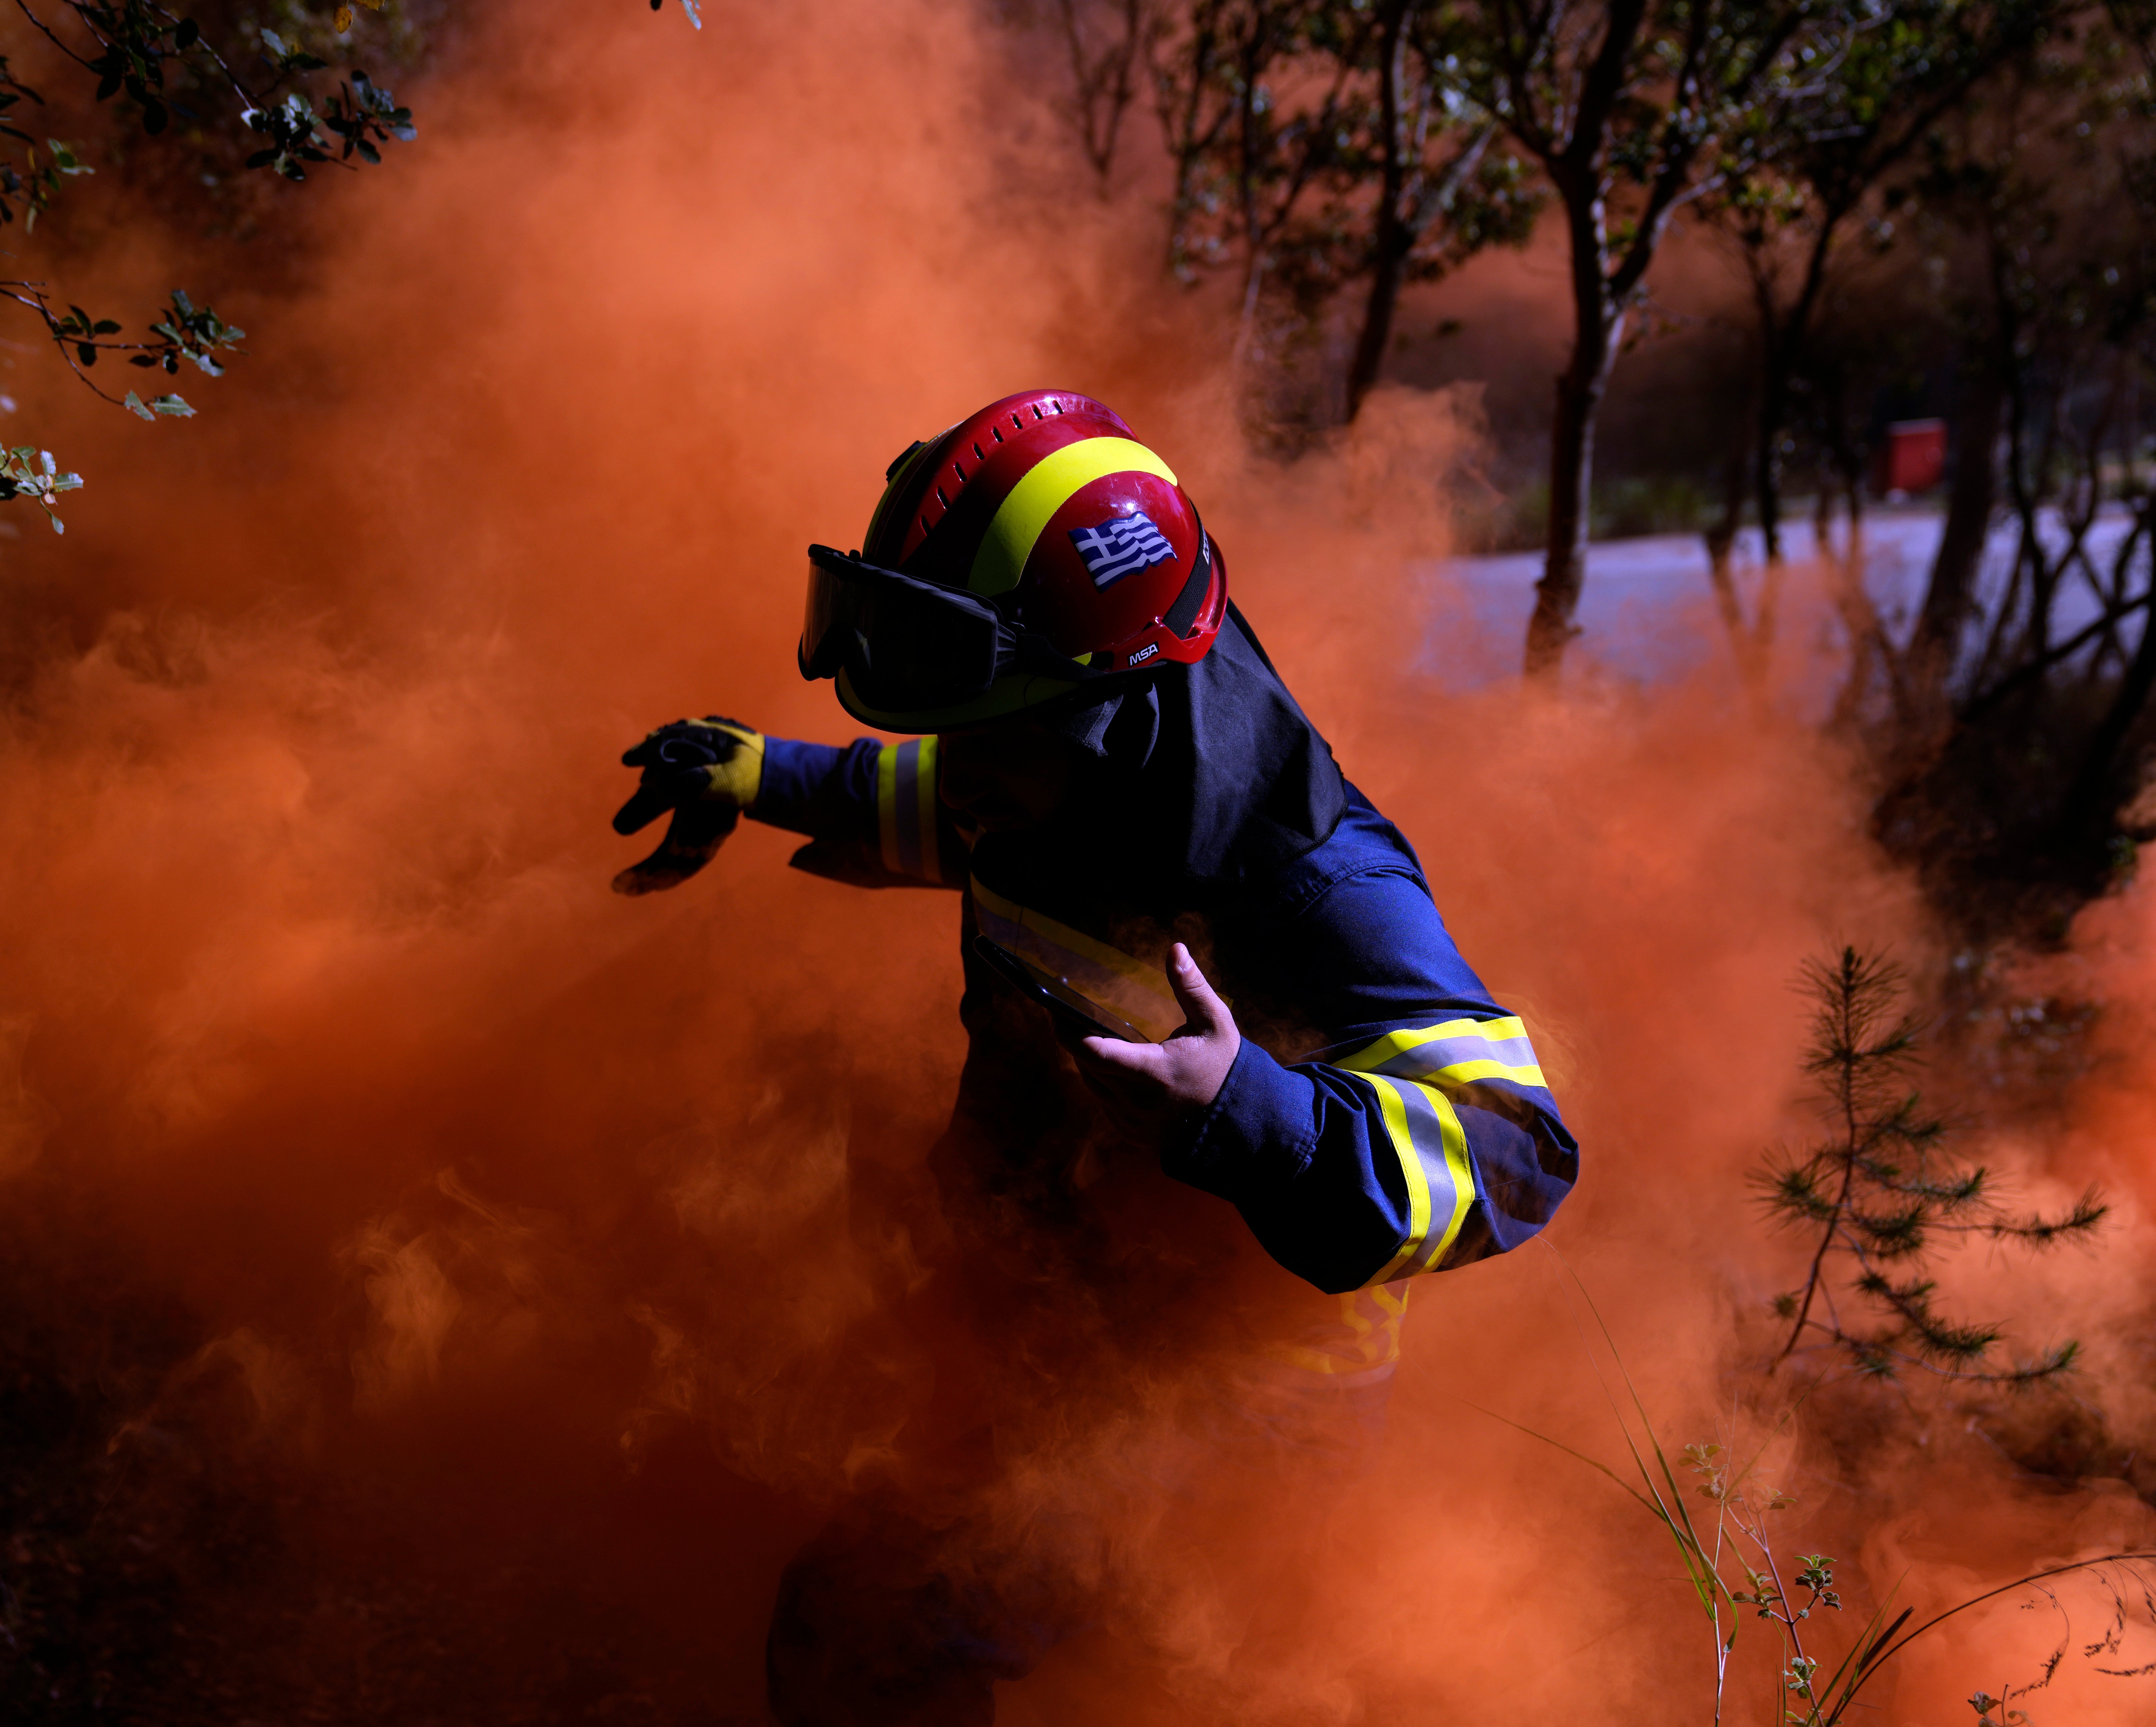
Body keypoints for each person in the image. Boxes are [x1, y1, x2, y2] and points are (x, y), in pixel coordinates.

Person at [611, 389, 1578, 1724]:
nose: (958, 767)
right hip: (1060, 1328)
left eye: (988, 736)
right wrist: (761, 775)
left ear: (1110, 714)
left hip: (1226, 1415)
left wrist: (1251, 1110)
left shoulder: (1310, 881)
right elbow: (951, 810)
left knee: (871, 1634)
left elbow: (1520, 1155)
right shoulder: (1059, 765)